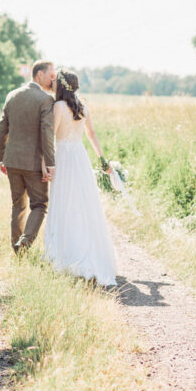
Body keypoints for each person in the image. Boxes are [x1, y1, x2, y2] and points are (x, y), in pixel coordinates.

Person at [43, 69, 117, 286]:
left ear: (61, 85)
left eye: (55, 81)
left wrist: (45, 163)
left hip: (63, 157)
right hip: (80, 156)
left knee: (64, 202)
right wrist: (102, 159)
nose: (52, 83)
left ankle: (67, 252)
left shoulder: (58, 106)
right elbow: (92, 134)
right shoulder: (82, 105)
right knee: (83, 204)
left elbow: (50, 136)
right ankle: (85, 248)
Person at [0, 60, 56, 253]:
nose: (52, 78)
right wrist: (50, 163)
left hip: (12, 160)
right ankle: (25, 242)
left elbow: (2, 129)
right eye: (51, 75)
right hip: (33, 163)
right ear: (40, 74)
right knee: (39, 205)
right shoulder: (45, 100)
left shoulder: (12, 95)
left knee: (18, 205)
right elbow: (47, 133)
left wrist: (1, 157)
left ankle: (17, 248)